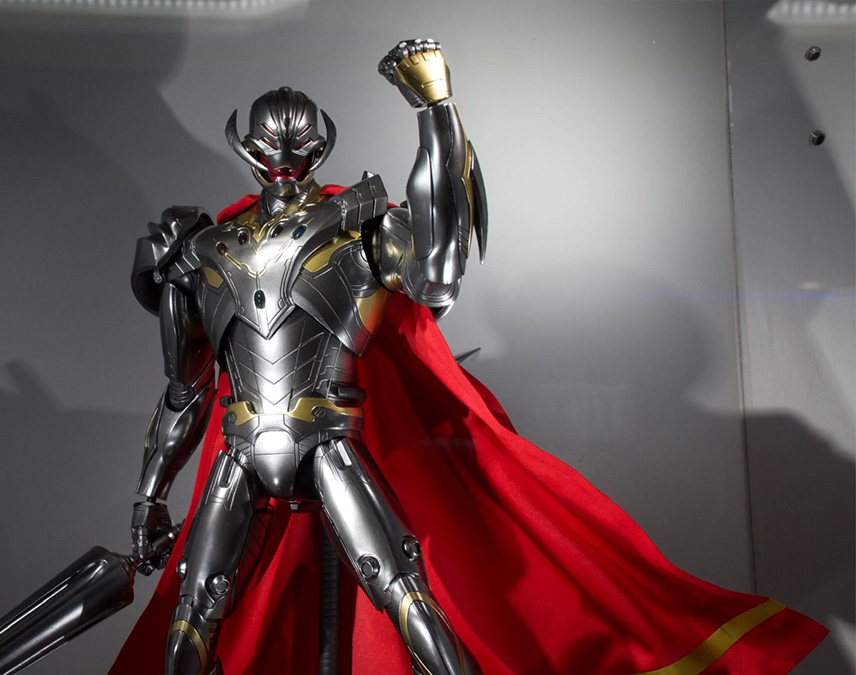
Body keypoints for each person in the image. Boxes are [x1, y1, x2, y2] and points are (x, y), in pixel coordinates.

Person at [113, 39, 826, 675]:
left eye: (294, 151)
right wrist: (150, 496)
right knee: (193, 623)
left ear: (315, 150)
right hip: (243, 452)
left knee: (406, 600)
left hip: (329, 445)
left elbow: (438, 267)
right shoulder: (202, 250)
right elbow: (184, 392)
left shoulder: (355, 227)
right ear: (251, 151)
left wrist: (437, 112)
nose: (284, 164)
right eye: (275, 152)